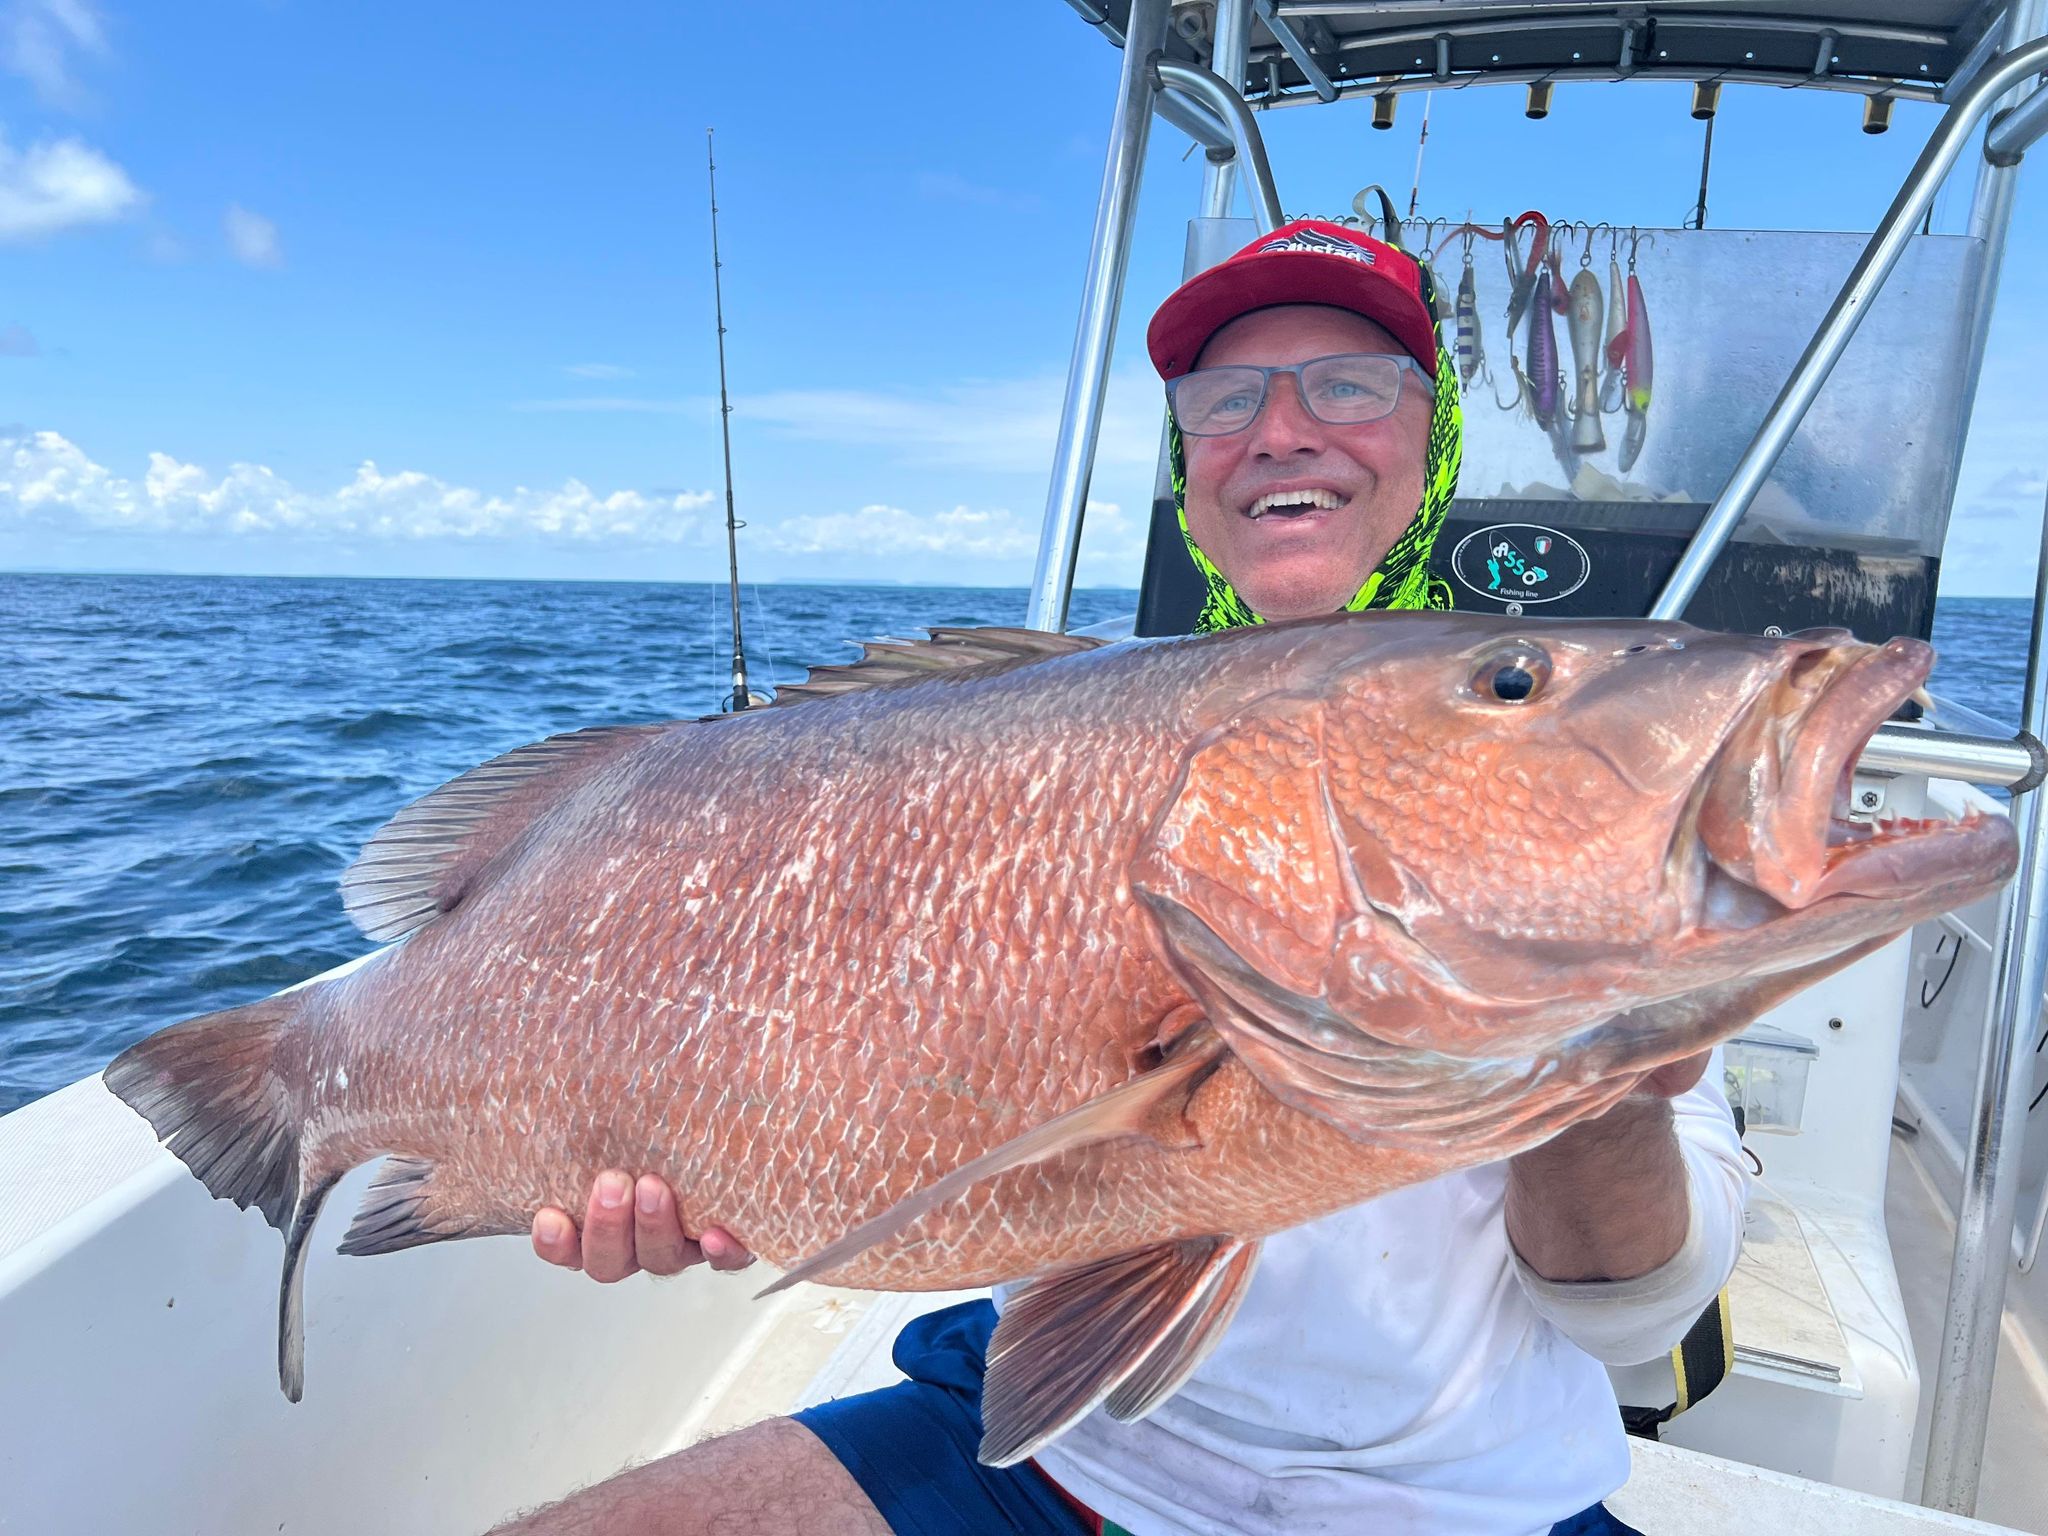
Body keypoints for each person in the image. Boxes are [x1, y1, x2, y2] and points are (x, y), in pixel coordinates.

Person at [495, 221, 1746, 1536]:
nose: (1281, 429)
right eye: (1224, 399)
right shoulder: (1050, 733)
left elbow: (1640, 1315)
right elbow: (882, 1071)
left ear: (1428, 444)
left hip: (1464, 1505)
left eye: (1350, 383)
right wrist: (683, 1142)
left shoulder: (1555, 773)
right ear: (1191, 467)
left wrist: (1604, 1087)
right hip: (1050, 1439)